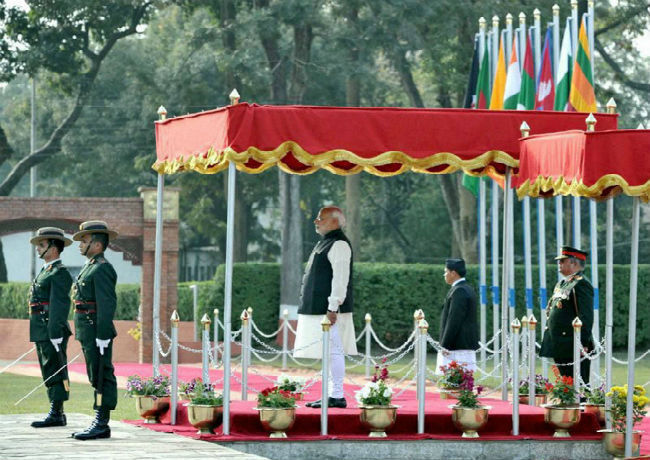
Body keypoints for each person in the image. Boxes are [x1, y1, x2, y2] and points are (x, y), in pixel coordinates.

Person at [294, 206, 357, 409]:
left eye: (321, 218)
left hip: (329, 311)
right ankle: (330, 394)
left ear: (335, 222)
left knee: (334, 352)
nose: (316, 221)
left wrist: (333, 307)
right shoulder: (326, 243)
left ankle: (337, 395)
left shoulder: (339, 244)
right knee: (328, 353)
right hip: (321, 308)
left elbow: (340, 279)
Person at [71, 221, 119, 440]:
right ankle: (99, 420)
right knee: (94, 374)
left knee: (101, 375)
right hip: (88, 330)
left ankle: (101, 422)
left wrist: (102, 334)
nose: (80, 244)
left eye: (84, 241)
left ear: (97, 245)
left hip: (96, 330)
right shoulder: (90, 266)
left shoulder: (102, 268)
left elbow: (106, 305)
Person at [28, 227, 73, 428]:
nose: (38, 249)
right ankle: (57, 411)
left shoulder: (59, 273)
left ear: (54, 248)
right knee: (48, 368)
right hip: (41, 328)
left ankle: (57, 412)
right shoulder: (46, 271)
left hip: (51, 329)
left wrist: (55, 332)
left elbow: (58, 306)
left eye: (42, 245)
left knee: (55, 368)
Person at [540, 246, 594, 386]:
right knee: (566, 383)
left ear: (574, 263)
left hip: (573, 343)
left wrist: (583, 343)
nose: (559, 263)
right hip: (560, 343)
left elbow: (586, 316)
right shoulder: (563, 283)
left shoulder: (581, 284)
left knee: (579, 384)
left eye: (563, 261)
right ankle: (568, 400)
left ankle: (581, 401)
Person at [436, 258, 479, 373]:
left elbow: (454, 320)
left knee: (454, 381)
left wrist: (445, 344)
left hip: (457, 347)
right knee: (461, 382)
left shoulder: (459, 291)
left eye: (446, 271)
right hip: (462, 345)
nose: (444, 275)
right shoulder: (467, 288)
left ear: (453, 273)